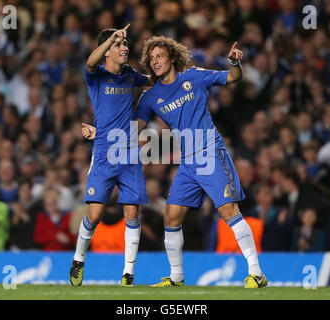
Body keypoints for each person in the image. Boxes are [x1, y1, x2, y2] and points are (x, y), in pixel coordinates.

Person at [134, 36, 266, 288]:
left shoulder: (194, 76)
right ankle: (176, 277)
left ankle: (257, 274)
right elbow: (134, 130)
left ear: (172, 57)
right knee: (171, 216)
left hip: (209, 152)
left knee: (229, 212)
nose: (155, 61)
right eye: (151, 59)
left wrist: (234, 63)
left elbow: (233, 78)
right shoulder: (150, 97)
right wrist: (103, 131)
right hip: (187, 163)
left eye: (159, 55)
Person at [69, 24, 149, 287]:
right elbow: (90, 61)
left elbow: (154, 80)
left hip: (129, 154)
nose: (124, 48)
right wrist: (109, 38)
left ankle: (128, 274)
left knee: (132, 213)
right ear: (107, 51)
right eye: (118, 44)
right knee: (94, 214)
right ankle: (79, 258)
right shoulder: (96, 75)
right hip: (104, 153)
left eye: (125, 43)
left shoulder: (130, 75)